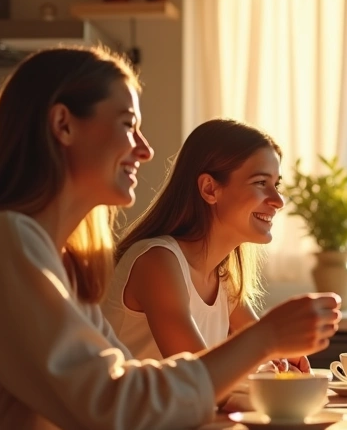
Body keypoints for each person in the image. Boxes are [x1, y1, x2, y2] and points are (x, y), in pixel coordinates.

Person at [0, 47, 341, 430]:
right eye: (128, 124)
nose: (145, 149)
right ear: (63, 125)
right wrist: (265, 338)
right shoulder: (1, 244)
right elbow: (114, 408)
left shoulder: (55, 259)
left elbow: (127, 388)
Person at [104, 119, 307, 375]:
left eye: (275, 185)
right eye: (260, 183)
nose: (278, 200)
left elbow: (268, 357)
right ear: (210, 189)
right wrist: (271, 345)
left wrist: (284, 358)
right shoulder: (157, 261)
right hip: (132, 416)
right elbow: (200, 378)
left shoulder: (224, 279)